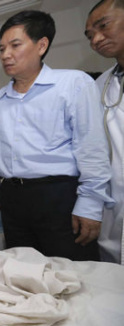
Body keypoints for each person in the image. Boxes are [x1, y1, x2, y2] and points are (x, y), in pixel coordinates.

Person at [0, 10, 114, 261]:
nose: (5, 55)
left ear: (41, 45)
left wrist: (90, 205)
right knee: (22, 271)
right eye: (1, 49)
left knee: (72, 272)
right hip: (12, 198)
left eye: (15, 45)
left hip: (58, 195)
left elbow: (91, 148)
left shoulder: (73, 84)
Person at [85, 0, 124, 264]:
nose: (97, 39)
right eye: (90, 35)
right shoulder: (101, 84)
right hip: (115, 202)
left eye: (103, 26)